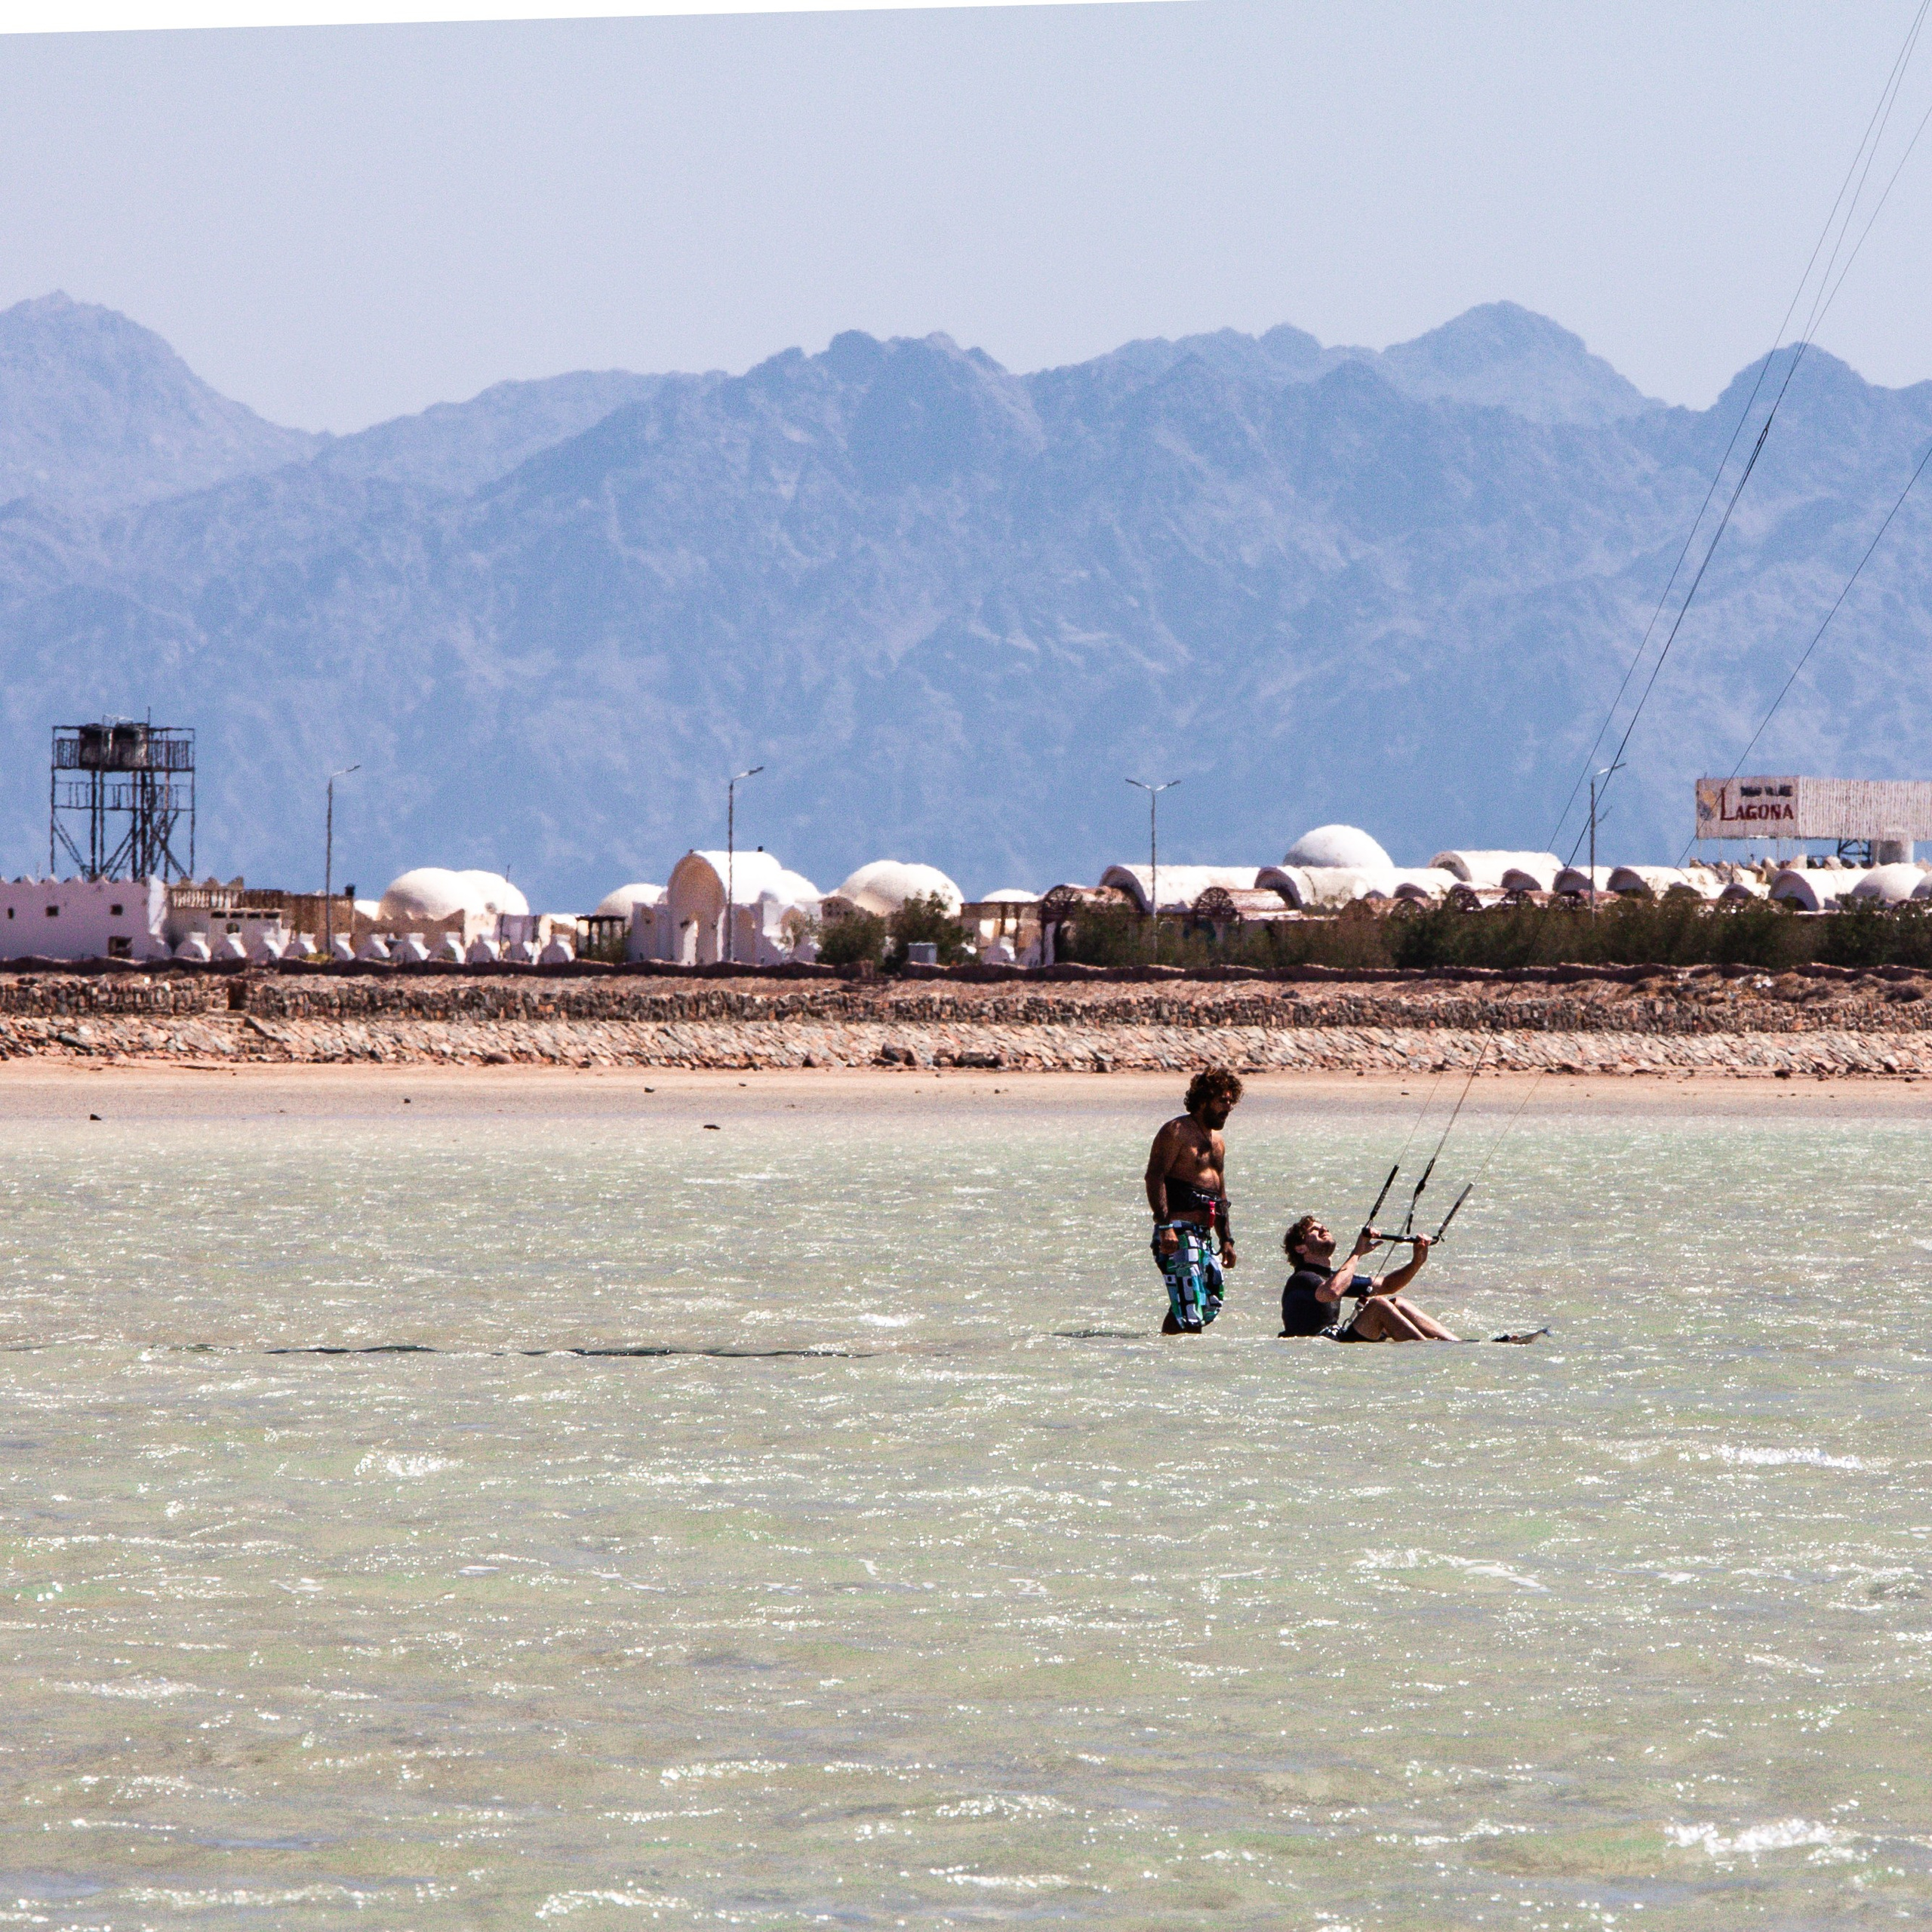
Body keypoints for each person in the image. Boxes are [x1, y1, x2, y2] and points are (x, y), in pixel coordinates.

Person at [1143, 1068, 1242, 1334]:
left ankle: (1165, 1347)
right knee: (1190, 1309)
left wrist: (1227, 1239)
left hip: (1204, 1234)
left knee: (1208, 1301)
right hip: (1178, 1231)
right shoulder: (1176, 1131)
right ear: (1203, 1100)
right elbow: (1155, 1177)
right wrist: (1166, 1228)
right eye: (1223, 1100)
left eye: (1232, 1101)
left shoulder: (1218, 1143)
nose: (1229, 1107)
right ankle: (1183, 1365)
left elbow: (1220, 1193)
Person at [1278, 1214, 1458, 1341]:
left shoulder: (1334, 1278)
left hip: (1339, 1339)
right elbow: (1331, 1292)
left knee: (1398, 1303)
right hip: (1326, 1348)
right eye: (1315, 1230)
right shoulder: (1302, 1279)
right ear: (1301, 1248)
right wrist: (1357, 1253)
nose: (1323, 1228)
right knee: (1378, 1306)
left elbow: (1388, 1285)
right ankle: (1427, 1352)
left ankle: (1455, 1344)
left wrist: (1416, 1261)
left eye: (1323, 1226)